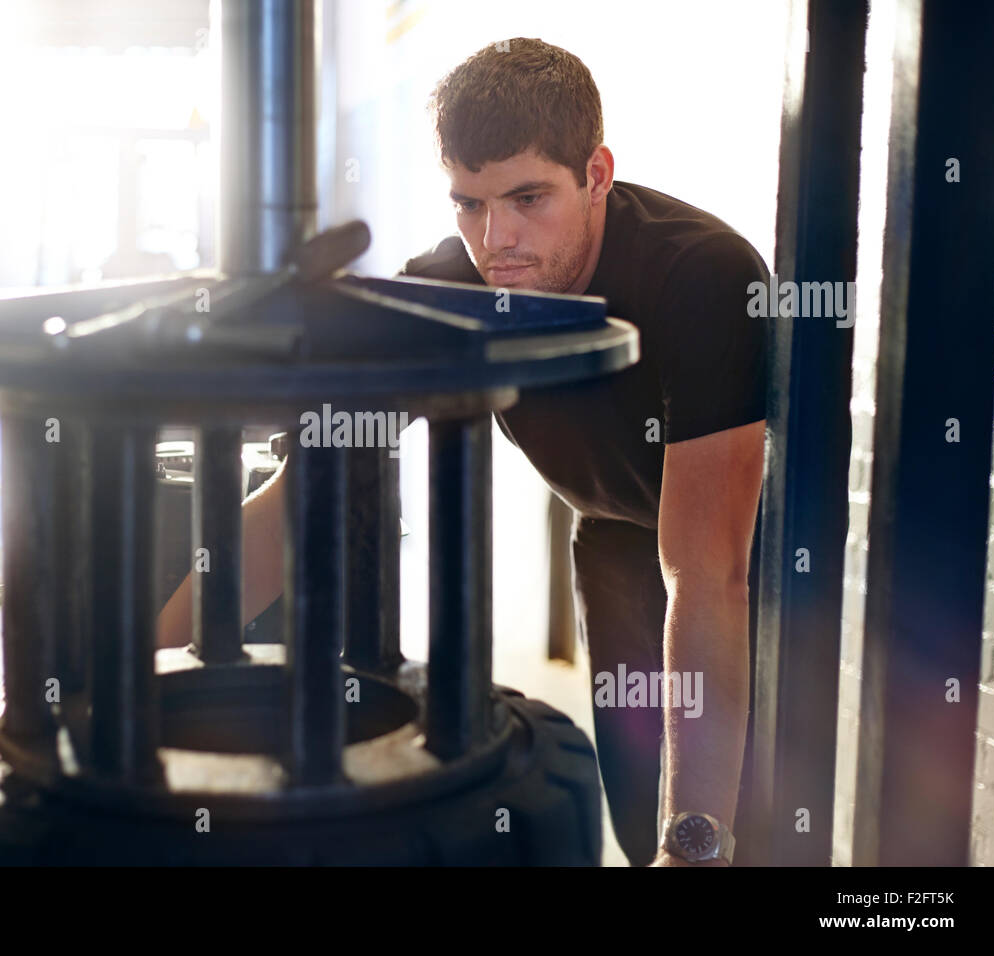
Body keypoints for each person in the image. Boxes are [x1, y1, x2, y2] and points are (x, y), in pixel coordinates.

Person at [157, 38, 767, 868]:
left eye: (528, 198)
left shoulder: (702, 275)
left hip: (747, 566)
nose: (499, 239)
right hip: (616, 541)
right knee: (634, 818)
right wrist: (131, 675)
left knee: (734, 834)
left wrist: (696, 848)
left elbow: (704, 572)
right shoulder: (446, 288)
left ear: (596, 174)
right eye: (470, 205)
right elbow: (305, 500)